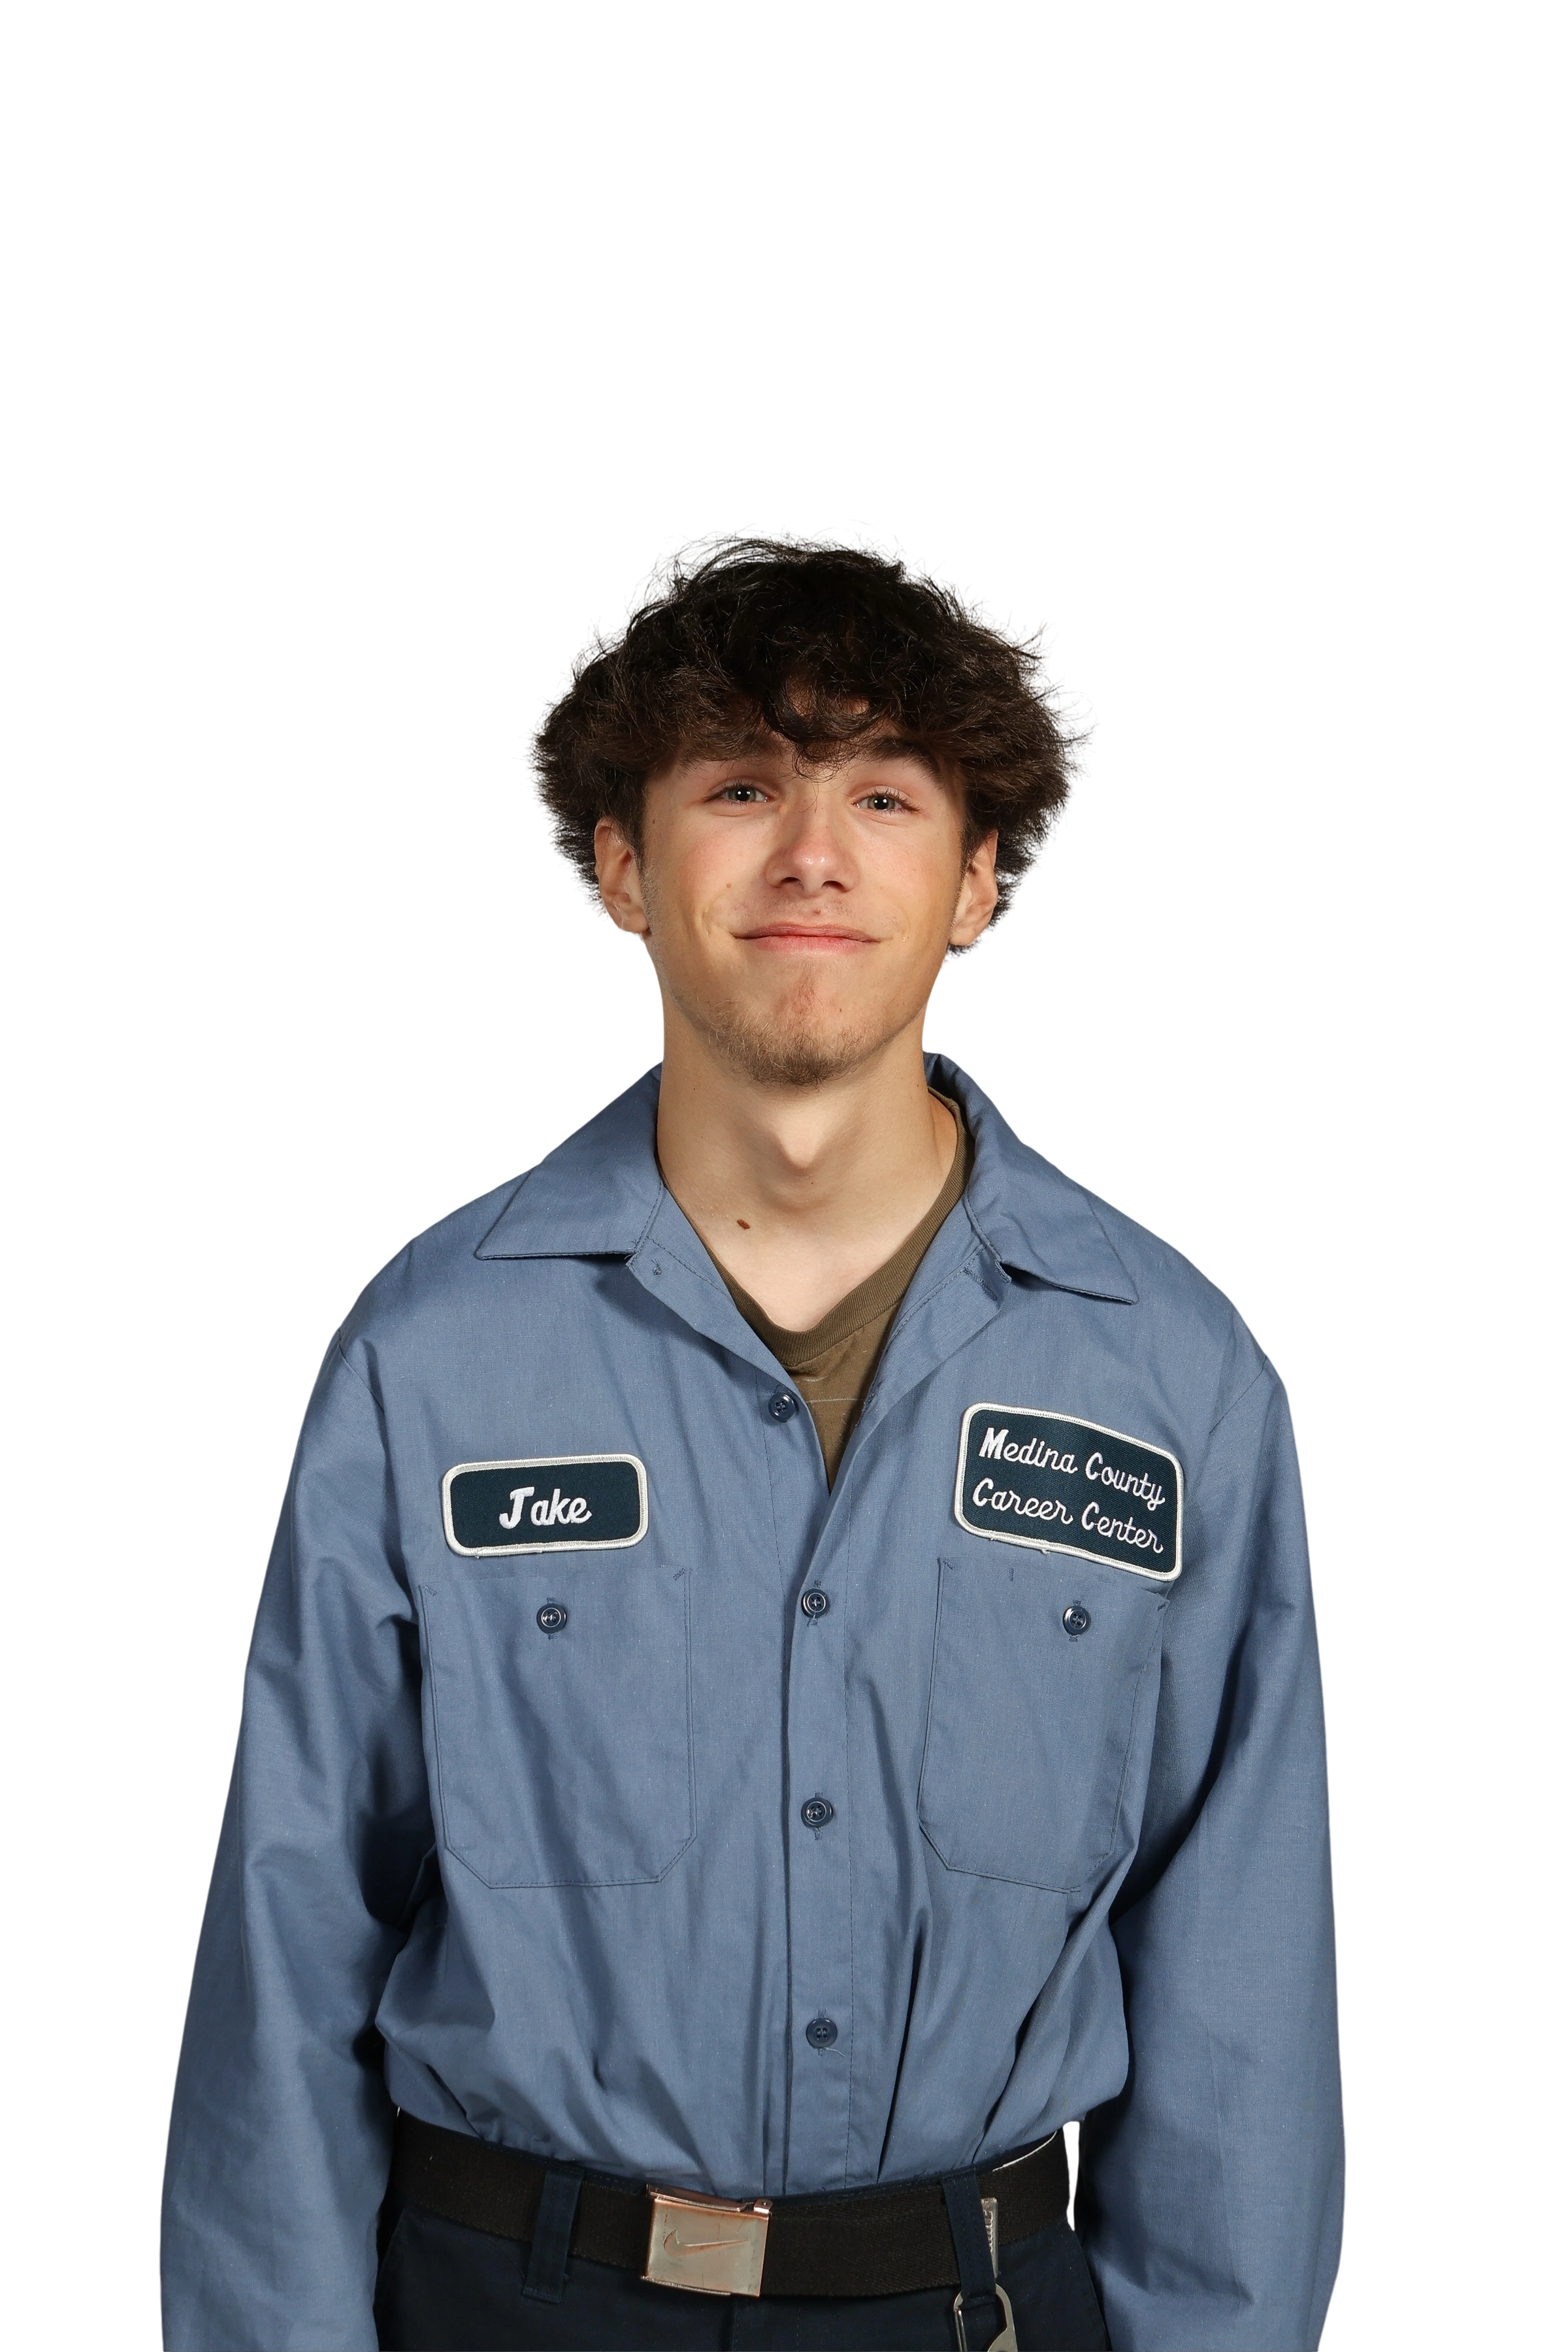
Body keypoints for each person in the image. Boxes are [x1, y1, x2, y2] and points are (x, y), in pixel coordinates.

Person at [158, 521, 1346, 2351]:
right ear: (624, 868)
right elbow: (291, 1938)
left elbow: (1239, 1981)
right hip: (508, 2306)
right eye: (739, 787)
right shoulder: (431, 1357)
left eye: (884, 796)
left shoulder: (1174, 1380)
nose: (811, 855)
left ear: (976, 879)